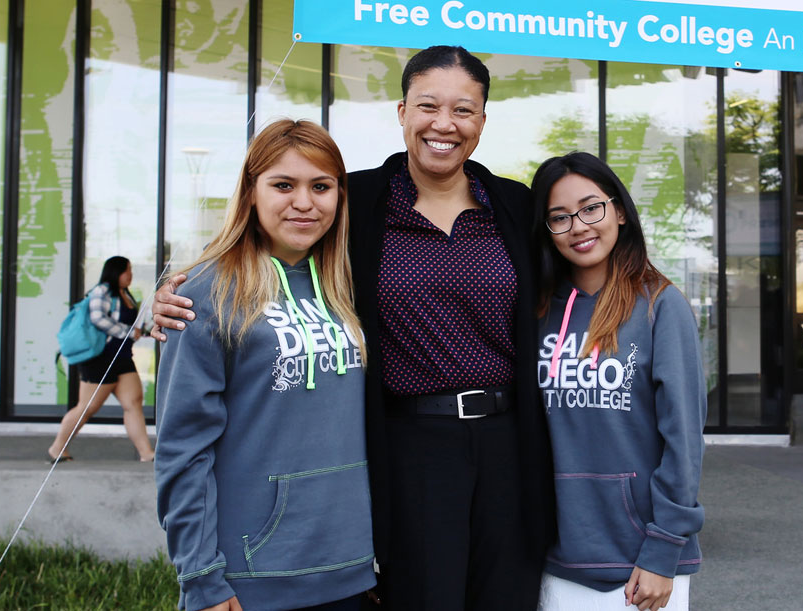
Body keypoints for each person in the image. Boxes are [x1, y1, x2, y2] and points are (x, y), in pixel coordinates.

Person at [152, 46, 554, 610]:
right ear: (401, 112)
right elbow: (270, 240)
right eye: (428, 105)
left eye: (464, 110)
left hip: (509, 440)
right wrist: (177, 291)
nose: (445, 124)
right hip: (409, 443)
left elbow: (579, 275)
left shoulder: (514, 204)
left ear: (483, 121)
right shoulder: (355, 200)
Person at [154, 119, 373, 611]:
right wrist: (201, 576)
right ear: (250, 193)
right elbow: (183, 450)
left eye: (321, 186)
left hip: (353, 571)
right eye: (282, 185)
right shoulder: (203, 296)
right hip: (251, 577)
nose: (304, 202)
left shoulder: (349, 285)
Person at [530, 152, 705, 611]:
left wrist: (663, 550)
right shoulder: (538, 312)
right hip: (553, 560)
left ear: (620, 211)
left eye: (591, 208)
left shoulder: (661, 307)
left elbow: (683, 443)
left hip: (640, 564)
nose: (579, 226)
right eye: (559, 217)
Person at [47, 255, 153, 463]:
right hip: (100, 358)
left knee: (133, 402)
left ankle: (146, 453)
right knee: (88, 407)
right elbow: (98, 319)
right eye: (126, 270)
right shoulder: (102, 291)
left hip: (122, 357)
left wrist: (142, 331)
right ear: (115, 272)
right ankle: (57, 448)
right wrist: (130, 332)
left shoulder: (126, 294)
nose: (130, 275)